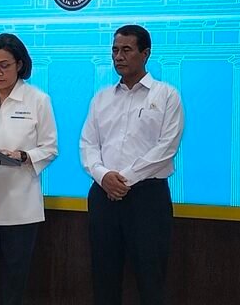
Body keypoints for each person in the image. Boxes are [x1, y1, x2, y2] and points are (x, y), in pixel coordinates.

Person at [79, 25, 184, 305]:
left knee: (150, 278)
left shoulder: (166, 95)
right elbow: (88, 144)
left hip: (147, 198)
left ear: (145, 53)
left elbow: (166, 148)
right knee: (104, 277)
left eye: (126, 50)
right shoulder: (101, 98)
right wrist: (103, 176)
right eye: (115, 50)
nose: (118, 56)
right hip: (103, 195)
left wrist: (123, 179)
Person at [0, 33, 58, 305]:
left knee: (13, 279)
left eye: (4, 65)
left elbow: (50, 148)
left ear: (20, 64)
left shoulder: (38, 100)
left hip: (20, 205)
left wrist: (23, 155)